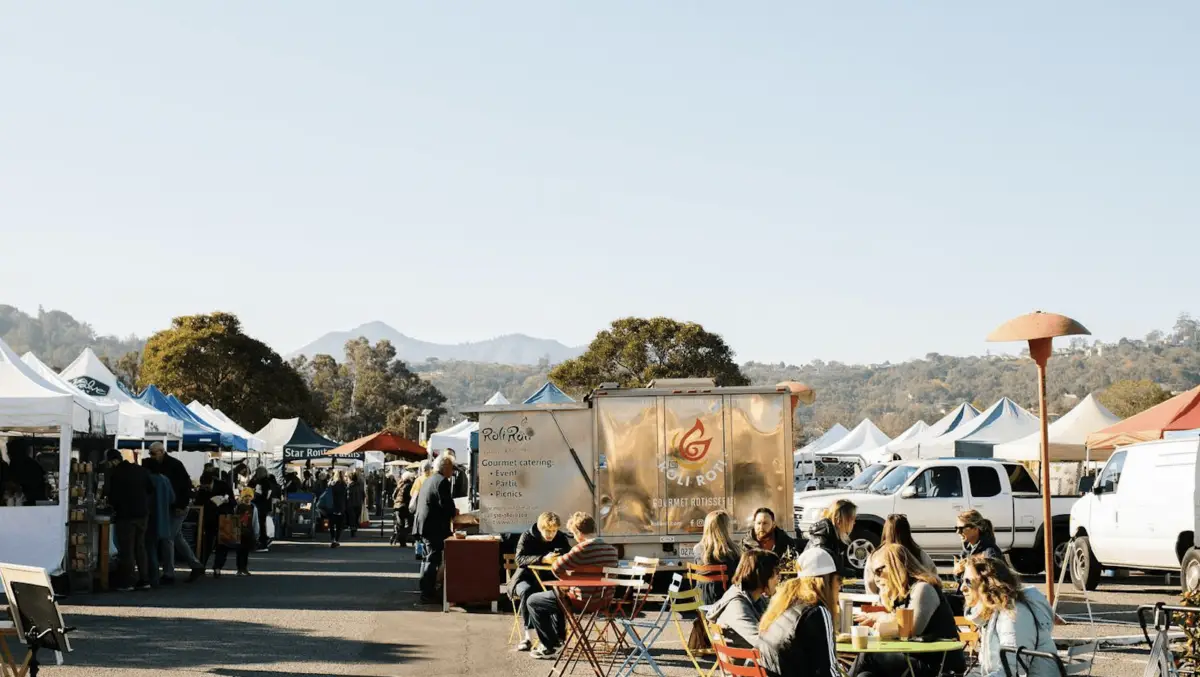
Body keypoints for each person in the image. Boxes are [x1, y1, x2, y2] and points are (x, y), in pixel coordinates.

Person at [851, 544, 966, 677]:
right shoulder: (905, 593)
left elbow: (911, 629)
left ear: (895, 565)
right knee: (865, 675)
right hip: (916, 659)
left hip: (938, 665)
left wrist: (880, 620)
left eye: (879, 571)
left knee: (868, 655)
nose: (876, 578)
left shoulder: (923, 588)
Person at [523, 512, 619, 660]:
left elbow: (556, 567)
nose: (574, 537)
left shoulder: (581, 550)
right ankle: (558, 640)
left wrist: (568, 581)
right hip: (604, 601)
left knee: (534, 601)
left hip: (580, 600)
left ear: (579, 533)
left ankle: (550, 646)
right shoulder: (612, 550)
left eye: (574, 534)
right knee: (556, 597)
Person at [956, 555, 1056, 677]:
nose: (962, 588)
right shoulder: (994, 612)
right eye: (962, 580)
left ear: (988, 583)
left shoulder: (1012, 614)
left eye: (968, 581)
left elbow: (1013, 671)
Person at [756, 548, 842, 677]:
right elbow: (827, 670)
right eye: (839, 580)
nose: (840, 586)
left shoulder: (784, 604)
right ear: (826, 580)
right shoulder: (817, 611)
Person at [511, 512, 572, 651]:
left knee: (558, 594)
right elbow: (519, 559)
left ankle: (558, 638)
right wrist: (543, 559)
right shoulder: (527, 536)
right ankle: (528, 638)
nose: (551, 534)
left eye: (554, 531)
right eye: (547, 531)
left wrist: (560, 557)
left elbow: (569, 556)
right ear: (540, 528)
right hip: (525, 577)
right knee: (527, 591)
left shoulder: (561, 537)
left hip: (550, 578)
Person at [146, 442, 205, 582]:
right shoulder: (168, 465)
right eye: (150, 454)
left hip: (177, 506)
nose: (151, 456)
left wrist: (181, 505)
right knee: (176, 537)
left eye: (153, 453)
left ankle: (169, 573)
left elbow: (185, 486)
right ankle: (195, 565)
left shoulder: (174, 465)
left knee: (168, 538)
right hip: (172, 506)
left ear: (161, 452)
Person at [706, 549, 781, 651]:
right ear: (762, 575)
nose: (778, 578)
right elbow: (761, 642)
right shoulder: (736, 606)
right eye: (776, 572)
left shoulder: (755, 598)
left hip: (756, 659)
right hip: (749, 663)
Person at [105, 449, 152, 592]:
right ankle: (144, 580)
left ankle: (128, 582)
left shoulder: (116, 474)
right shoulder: (141, 470)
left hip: (126, 516)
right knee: (140, 547)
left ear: (113, 461)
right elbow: (150, 489)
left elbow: (112, 497)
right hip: (142, 514)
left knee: (127, 549)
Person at [414, 454, 459, 604]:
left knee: (427, 558)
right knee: (431, 559)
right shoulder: (442, 482)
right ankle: (427, 593)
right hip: (433, 526)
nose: (452, 472)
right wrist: (454, 512)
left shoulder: (429, 480)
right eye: (451, 468)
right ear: (445, 468)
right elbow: (446, 504)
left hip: (424, 524)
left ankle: (425, 590)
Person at [865, 514, 937, 594]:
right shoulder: (919, 553)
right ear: (907, 531)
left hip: (886, 601)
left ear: (886, 531)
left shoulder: (875, 556)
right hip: (916, 597)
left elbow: (870, 584)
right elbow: (933, 575)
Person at [694, 510, 741, 605]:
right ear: (726, 528)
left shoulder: (698, 549)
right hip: (726, 601)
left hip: (702, 600)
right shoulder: (732, 552)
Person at [805, 499, 859, 577]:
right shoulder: (824, 535)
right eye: (852, 518)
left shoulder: (831, 534)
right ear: (841, 519)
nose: (854, 522)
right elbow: (825, 565)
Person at [143, 458, 176, 588]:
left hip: (150, 517)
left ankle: (153, 577)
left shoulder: (148, 479)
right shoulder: (165, 479)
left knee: (150, 549)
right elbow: (172, 498)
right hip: (164, 518)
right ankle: (165, 573)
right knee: (161, 546)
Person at [214, 487, 259, 577]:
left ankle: (244, 568)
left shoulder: (253, 507)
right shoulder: (238, 506)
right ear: (242, 497)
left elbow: (255, 520)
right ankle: (239, 568)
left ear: (252, 497)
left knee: (246, 551)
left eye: (249, 496)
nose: (247, 498)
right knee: (239, 551)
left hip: (249, 532)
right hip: (238, 531)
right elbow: (233, 517)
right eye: (246, 496)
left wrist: (256, 532)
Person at [194, 469, 233, 568]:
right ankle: (201, 565)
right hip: (209, 519)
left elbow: (233, 501)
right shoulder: (202, 489)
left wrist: (225, 500)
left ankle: (218, 567)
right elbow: (198, 503)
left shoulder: (223, 485)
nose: (207, 488)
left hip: (224, 516)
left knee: (223, 544)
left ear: (212, 481)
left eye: (208, 486)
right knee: (206, 543)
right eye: (205, 487)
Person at [248, 467, 276, 552]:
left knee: (261, 524)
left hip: (262, 506)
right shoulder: (265, 481)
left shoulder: (264, 482)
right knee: (261, 524)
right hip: (263, 506)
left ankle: (263, 543)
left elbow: (264, 495)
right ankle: (264, 541)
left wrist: (255, 496)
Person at [391, 471, 416, 547]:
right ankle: (401, 537)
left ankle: (401, 541)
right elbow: (409, 496)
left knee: (401, 525)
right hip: (404, 506)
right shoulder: (409, 485)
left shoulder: (399, 485)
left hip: (397, 507)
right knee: (410, 524)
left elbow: (393, 496)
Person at [328, 471, 348, 548]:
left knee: (332, 525)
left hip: (332, 506)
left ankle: (332, 539)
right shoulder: (344, 485)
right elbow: (346, 497)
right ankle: (336, 540)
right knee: (339, 526)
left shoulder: (331, 484)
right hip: (341, 507)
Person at [347, 472, 366, 538]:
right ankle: (354, 530)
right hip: (358, 503)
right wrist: (363, 502)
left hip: (351, 504)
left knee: (352, 518)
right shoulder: (360, 485)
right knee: (356, 518)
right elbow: (363, 494)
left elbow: (347, 495)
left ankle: (353, 530)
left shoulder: (349, 486)